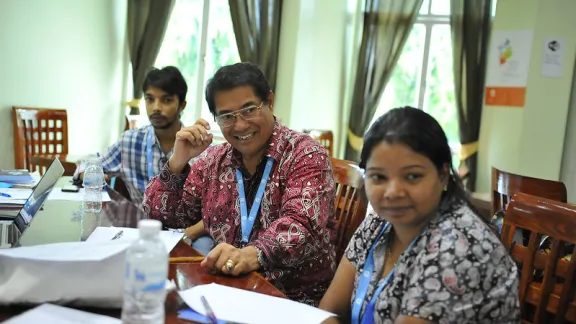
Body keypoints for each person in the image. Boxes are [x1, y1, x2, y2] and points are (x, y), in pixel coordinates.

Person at [143, 62, 337, 305]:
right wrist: (177, 161)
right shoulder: (215, 160)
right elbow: (164, 215)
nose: (241, 125)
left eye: (249, 110)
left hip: (291, 300)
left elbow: (301, 225)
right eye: (226, 116)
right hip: (228, 291)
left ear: (270, 101)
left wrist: (251, 254)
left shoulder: (305, 154)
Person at [319, 107, 520, 323]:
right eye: (378, 176)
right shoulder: (377, 224)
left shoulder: (458, 247)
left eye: (413, 176)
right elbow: (328, 311)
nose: (393, 192)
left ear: (443, 176)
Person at [73, 66, 212, 254]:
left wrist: (186, 235)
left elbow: (215, 211)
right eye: (150, 99)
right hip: (141, 232)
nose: (156, 107)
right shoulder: (130, 142)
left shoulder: (201, 150)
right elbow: (90, 162)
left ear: (182, 105)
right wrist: (88, 173)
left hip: (189, 234)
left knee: (204, 255)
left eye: (166, 100)